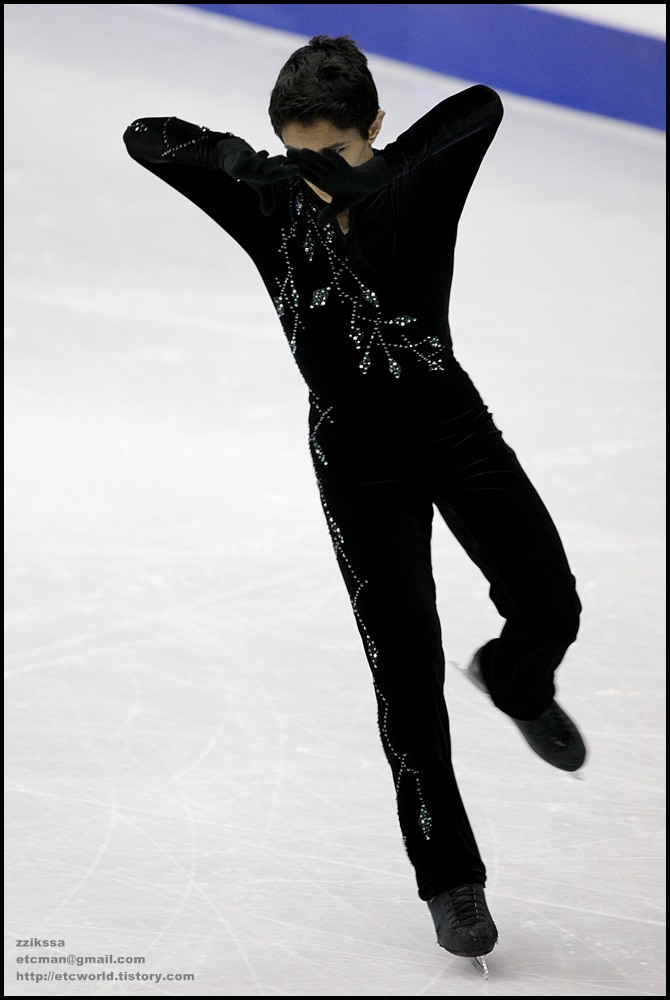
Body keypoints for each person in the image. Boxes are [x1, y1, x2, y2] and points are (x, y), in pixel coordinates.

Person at [123, 34, 586, 965]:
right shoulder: (268, 199)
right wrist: (258, 167)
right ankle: (451, 881)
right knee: (404, 672)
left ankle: (517, 676)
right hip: (355, 459)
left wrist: (372, 175)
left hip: (454, 430)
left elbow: (481, 105)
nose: (315, 174)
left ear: (374, 127)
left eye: (332, 151)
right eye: (297, 150)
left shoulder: (418, 184)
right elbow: (144, 135)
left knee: (551, 600)